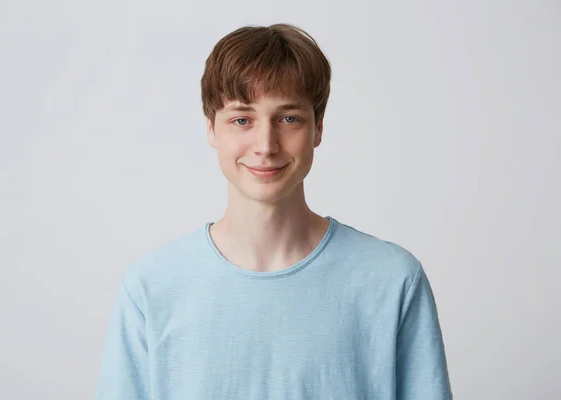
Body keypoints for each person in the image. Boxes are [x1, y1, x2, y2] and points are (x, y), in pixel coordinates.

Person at [94, 23, 453, 400]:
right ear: (211, 130)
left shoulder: (392, 279)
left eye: (288, 119)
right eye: (242, 120)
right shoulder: (151, 287)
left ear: (318, 129)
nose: (265, 145)